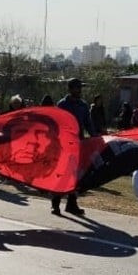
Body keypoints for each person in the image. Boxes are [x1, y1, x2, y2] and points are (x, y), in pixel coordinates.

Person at [52, 78, 96, 217]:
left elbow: (88, 124)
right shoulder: (62, 104)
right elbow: (57, 124)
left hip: (78, 144)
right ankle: (55, 204)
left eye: (80, 88)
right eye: (77, 88)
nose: (79, 90)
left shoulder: (83, 105)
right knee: (62, 175)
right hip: (65, 145)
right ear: (70, 89)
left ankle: (72, 204)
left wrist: (95, 136)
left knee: (75, 176)